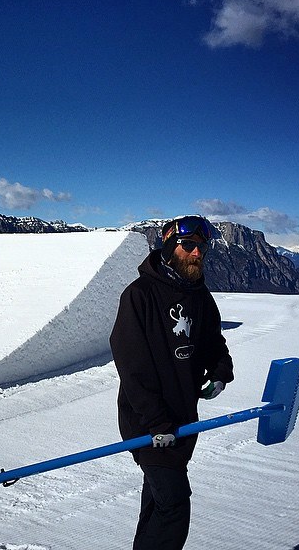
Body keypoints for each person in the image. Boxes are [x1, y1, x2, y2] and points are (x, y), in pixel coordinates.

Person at [109, 215, 234, 550]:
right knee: (175, 505)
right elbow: (132, 367)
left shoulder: (199, 295)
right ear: (169, 247)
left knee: (157, 500)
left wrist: (220, 371)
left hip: (182, 421)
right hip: (147, 424)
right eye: (188, 245)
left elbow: (212, 343)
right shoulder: (140, 295)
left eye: (202, 248)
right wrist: (155, 422)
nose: (197, 254)